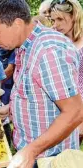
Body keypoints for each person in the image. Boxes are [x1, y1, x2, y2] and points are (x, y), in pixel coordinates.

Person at [0, 0, 83, 168]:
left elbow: (75, 111)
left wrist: (32, 151)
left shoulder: (48, 52)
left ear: (17, 24)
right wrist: (10, 109)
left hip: (49, 157)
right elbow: (35, 92)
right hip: (35, 152)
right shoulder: (24, 45)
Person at [50, 0, 83, 142]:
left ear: (74, 16)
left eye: (60, 19)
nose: (55, 25)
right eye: (53, 20)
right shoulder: (54, 41)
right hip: (58, 104)